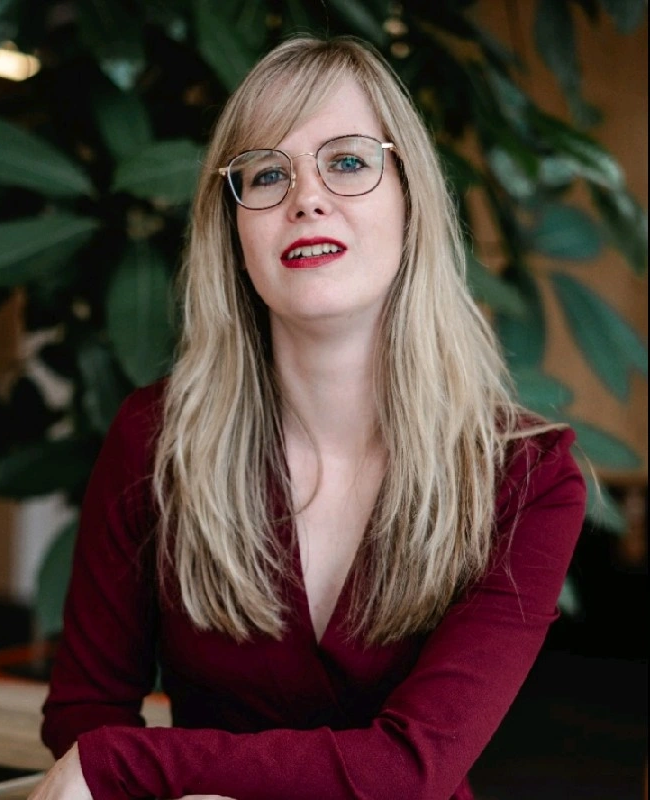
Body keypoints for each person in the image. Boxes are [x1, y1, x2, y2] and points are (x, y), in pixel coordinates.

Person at [30, 36, 586, 800]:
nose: (306, 198)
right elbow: (85, 714)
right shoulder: (154, 441)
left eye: (349, 161)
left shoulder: (526, 477)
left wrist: (127, 765)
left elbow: (407, 773)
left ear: (410, 199)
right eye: (266, 174)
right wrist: (113, 760)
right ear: (235, 234)